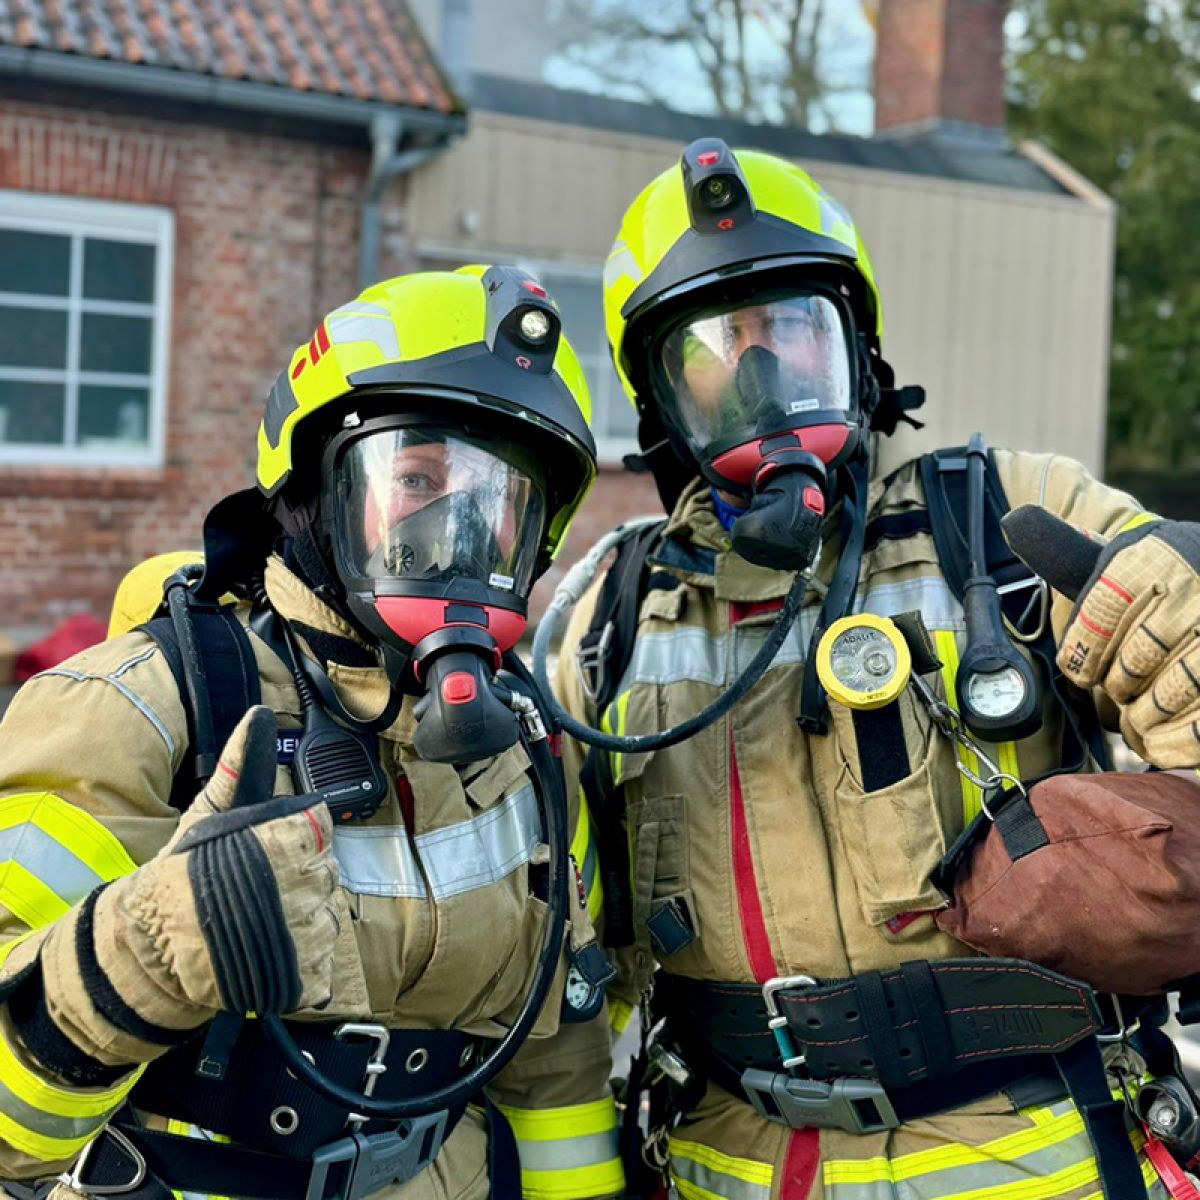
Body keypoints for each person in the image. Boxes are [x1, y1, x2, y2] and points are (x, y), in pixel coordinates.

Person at [550, 140, 1200, 1200]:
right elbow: (566, 945)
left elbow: (1179, 655)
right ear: (661, 399)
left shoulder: (1001, 517)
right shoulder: (610, 613)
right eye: (716, 347)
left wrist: (1182, 615)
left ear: (858, 346)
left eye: (791, 329)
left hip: (1031, 1159)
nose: (761, 372)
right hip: (727, 1165)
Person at [0, 266, 625, 1200]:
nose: (456, 529)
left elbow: (554, 1062)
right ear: (314, 489)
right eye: (416, 478)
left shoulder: (520, 754)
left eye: (498, 499)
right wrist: (152, 951)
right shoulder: (138, 712)